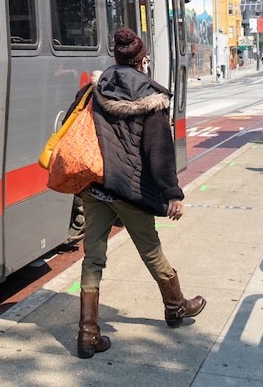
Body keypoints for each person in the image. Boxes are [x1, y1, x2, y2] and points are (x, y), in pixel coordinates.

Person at [75, 27, 206, 359]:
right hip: (129, 190)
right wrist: (171, 193)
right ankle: (176, 307)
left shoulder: (95, 88)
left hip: (95, 186)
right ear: (142, 60)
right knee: (151, 250)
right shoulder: (151, 98)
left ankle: (87, 333)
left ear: (117, 58)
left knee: (92, 257)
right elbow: (157, 151)